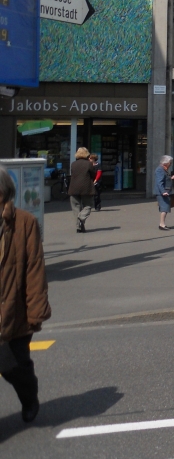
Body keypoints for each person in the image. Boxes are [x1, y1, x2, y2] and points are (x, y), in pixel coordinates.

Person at [0, 165, 52, 423]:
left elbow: (34, 271)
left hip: (16, 313)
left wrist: (36, 312)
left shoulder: (24, 223)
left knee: (15, 368)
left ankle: (29, 396)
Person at [68, 147, 95, 233]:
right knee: (88, 205)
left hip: (73, 188)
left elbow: (72, 174)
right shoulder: (89, 164)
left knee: (76, 208)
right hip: (86, 188)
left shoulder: (73, 164)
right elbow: (93, 175)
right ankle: (81, 218)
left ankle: (79, 227)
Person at [154, 155, 174, 230]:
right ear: (165, 162)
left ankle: (162, 224)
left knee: (165, 208)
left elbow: (164, 179)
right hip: (163, 192)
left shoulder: (163, 169)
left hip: (166, 191)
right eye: (170, 162)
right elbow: (159, 182)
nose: (170, 164)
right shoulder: (160, 170)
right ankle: (161, 224)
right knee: (164, 208)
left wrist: (170, 178)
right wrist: (163, 192)